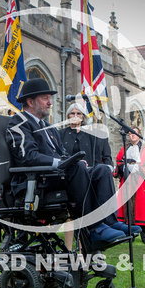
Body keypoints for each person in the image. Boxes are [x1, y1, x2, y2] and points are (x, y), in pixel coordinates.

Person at [5, 78, 126, 248]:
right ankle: (94, 229)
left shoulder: (50, 128)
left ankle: (109, 222)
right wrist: (63, 163)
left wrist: (72, 161)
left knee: (101, 170)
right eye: (45, 98)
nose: (50, 102)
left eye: (50, 98)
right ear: (31, 101)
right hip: (38, 180)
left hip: (56, 176)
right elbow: (28, 156)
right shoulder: (18, 123)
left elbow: (62, 153)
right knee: (74, 166)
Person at [59, 102, 120, 249]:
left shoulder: (93, 135)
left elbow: (105, 157)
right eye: (72, 114)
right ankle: (71, 249)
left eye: (78, 113)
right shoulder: (60, 134)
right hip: (68, 178)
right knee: (79, 166)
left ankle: (110, 221)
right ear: (67, 117)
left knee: (103, 170)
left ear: (83, 117)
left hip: (89, 177)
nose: (75, 116)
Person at [114, 126, 145, 244]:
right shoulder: (124, 148)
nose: (132, 135)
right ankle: (129, 235)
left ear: (139, 135)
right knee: (126, 209)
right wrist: (124, 166)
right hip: (127, 181)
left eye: (135, 133)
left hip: (141, 182)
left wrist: (136, 167)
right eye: (130, 133)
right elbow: (118, 161)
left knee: (142, 210)